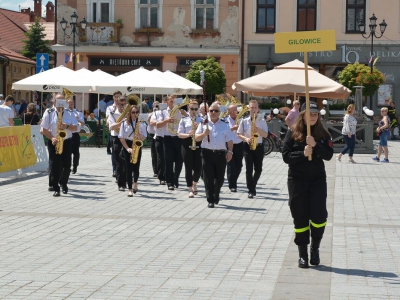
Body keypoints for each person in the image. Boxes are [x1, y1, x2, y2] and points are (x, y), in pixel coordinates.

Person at [282, 101, 333, 268]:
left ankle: (315, 248)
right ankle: (302, 253)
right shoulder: (292, 132)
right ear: (302, 115)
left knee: (319, 217)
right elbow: (286, 156)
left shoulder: (324, 133)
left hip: (317, 180)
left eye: (315, 113)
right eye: (310, 113)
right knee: (300, 216)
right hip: (297, 180)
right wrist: (303, 153)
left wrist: (316, 145)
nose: (313, 116)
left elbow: (329, 155)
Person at [196, 102, 233, 208]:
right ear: (208, 112)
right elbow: (196, 138)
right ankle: (210, 199)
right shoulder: (203, 123)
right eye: (211, 110)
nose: (213, 113)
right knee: (208, 178)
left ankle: (216, 193)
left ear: (219, 112)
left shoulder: (224, 125)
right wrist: (204, 134)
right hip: (207, 153)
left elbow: (229, 140)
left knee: (220, 178)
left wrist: (230, 151)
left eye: (216, 111)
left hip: (220, 154)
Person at [40, 93, 78, 196]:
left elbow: (76, 128)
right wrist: (52, 138)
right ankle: (56, 187)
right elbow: (44, 129)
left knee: (67, 165)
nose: (61, 103)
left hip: (67, 141)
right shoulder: (49, 112)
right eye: (59, 101)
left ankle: (64, 183)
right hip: (54, 141)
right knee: (55, 165)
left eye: (63, 101)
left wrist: (67, 126)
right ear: (54, 102)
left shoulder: (70, 112)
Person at [237, 100, 269, 198]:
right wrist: (246, 139)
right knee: (249, 169)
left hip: (258, 146)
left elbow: (266, 135)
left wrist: (258, 129)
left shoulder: (262, 120)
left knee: (258, 169)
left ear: (258, 109)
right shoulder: (244, 120)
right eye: (252, 108)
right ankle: (251, 190)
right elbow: (239, 134)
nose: (254, 109)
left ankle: (253, 185)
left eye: (255, 107)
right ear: (249, 108)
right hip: (248, 146)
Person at [156, 95, 183, 190]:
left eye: (174, 101)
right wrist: (167, 120)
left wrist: (185, 114)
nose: (172, 103)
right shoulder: (163, 112)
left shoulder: (180, 111)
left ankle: (176, 178)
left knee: (179, 161)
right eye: (171, 101)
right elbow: (158, 125)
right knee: (169, 162)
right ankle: (170, 182)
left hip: (179, 138)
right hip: (167, 138)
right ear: (167, 102)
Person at [119, 105, 147, 197]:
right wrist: (127, 148)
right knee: (128, 168)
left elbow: (144, 137)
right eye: (133, 112)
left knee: (136, 167)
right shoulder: (124, 123)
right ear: (129, 113)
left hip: (137, 145)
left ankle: (135, 182)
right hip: (127, 145)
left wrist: (140, 135)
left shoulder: (141, 124)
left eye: (136, 112)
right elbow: (121, 138)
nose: (135, 114)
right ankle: (130, 189)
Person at [177, 100, 203, 198]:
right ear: (188, 108)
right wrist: (189, 134)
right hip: (186, 144)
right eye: (192, 109)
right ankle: (190, 189)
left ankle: (194, 183)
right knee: (188, 168)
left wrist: (199, 129)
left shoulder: (201, 120)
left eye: (196, 109)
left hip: (198, 144)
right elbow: (179, 134)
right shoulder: (184, 120)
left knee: (198, 168)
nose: (194, 111)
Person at [108, 96, 127, 190]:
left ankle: (126, 181)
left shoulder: (128, 114)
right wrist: (121, 122)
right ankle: (121, 183)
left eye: (124, 104)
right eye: (121, 104)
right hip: (116, 137)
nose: (123, 106)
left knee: (127, 160)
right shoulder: (112, 114)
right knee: (119, 161)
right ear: (117, 104)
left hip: (127, 138)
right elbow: (111, 127)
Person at [225, 104, 243, 192]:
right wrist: (232, 129)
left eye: (234, 110)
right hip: (229, 144)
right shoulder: (225, 120)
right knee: (231, 165)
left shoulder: (241, 120)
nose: (233, 112)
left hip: (239, 144)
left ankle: (234, 180)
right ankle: (232, 185)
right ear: (228, 111)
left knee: (239, 165)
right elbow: (223, 132)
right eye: (231, 111)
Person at [150, 97, 168, 185]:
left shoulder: (172, 113)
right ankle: (161, 176)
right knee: (160, 157)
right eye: (163, 103)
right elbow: (151, 122)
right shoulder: (157, 113)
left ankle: (169, 176)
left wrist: (160, 123)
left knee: (169, 158)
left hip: (169, 137)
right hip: (159, 137)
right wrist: (163, 122)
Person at [67, 99, 85, 174]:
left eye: (71, 104)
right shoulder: (65, 112)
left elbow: (83, 124)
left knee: (76, 152)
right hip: (67, 134)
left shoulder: (78, 112)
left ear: (74, 104)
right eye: (69, 104)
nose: (70, 106)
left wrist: (78, 119)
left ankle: (75, 166)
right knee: (68, 152)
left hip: (75, 134)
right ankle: (68, 167)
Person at [106, 91, 122, 174]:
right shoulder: (109, 108)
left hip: (123, 132)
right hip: (114, 132)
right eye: (115, 96)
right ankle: (115, 169)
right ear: (113, 97)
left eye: (118, 96)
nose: (117, 98)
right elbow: (108, 121)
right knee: (115, 152)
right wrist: (115, 110)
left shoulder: (124, 107)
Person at [148, 101, 159, 177]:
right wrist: (151, 115)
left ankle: (161, 169)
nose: (156, 108)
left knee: (160, 153)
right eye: (154, 106)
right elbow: (148, 122)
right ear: (152, 106)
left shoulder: (161, 114)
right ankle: (155, 170)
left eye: (157, 106)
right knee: (153, 153)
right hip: (152, 135)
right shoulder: (150, 114)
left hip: (159, 135)